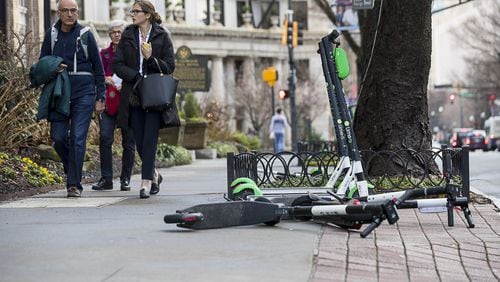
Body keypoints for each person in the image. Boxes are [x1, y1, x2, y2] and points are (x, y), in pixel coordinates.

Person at [38, 0, 105, 198]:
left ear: (77, 12)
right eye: (65, 10)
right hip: (60, 92)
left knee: (77, 138)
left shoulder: (86, 35)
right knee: (58, 138)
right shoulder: (51, 35)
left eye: (73, 10)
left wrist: (100, 96)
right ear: (58, 13)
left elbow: (99, 69)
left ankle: (74, 185)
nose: (70, 14)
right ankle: (73, 171)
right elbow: (43, 63)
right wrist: (53, 67)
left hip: (84, 93)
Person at [112, 0, 175, 199]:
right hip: (133, 92)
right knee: (138, 138)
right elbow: (117, 65)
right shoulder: (128, 35)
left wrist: (151, 59)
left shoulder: (162, 35)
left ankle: (145, 181)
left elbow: (170, 66)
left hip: (154, 93)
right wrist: (135, 76)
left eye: (136, 11)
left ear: (147, 15)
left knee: (150, 139)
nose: (132, 14)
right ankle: (154, 173)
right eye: (132, 11)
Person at [91, 21, 136, 192]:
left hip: (127, 105)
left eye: (120, 32)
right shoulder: (103, 54)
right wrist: (105, 79)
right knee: (105, 139)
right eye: (113, 32)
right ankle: (106, 179)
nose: (117, 35)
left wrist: (126, 81)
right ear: (109, 35)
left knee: (128, 142)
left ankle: (125, 179)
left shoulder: (131, 54)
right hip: (108, 104)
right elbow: (97, 74)